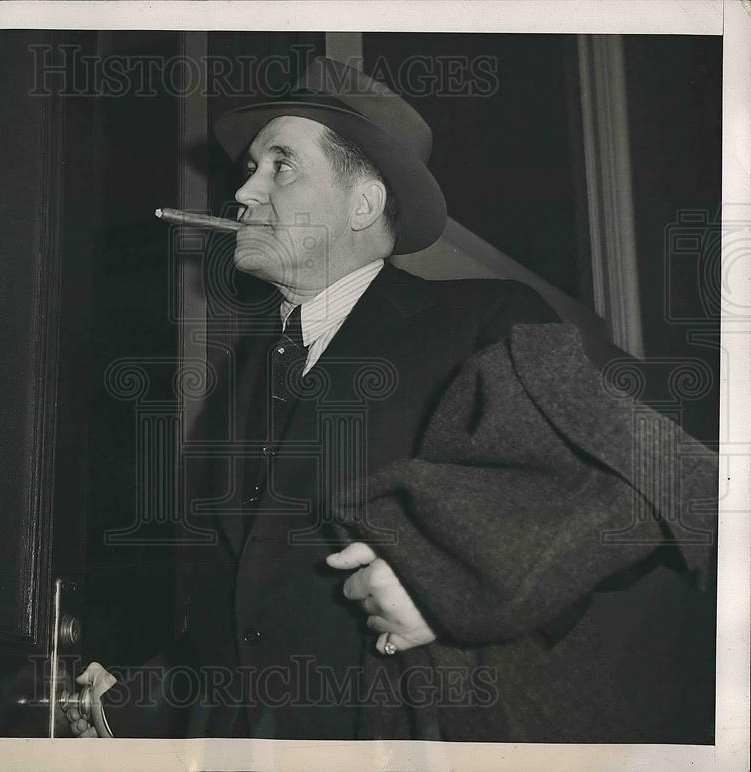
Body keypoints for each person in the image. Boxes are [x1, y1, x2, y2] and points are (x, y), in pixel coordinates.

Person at [63, 56, 715, 742]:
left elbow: (664, 469)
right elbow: (251, 624)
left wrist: (451, 580)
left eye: (280, 166)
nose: (244, 195)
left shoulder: (484, 321)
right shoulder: (243, 380)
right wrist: (139, 703)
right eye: (250, 169)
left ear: (364, 203)